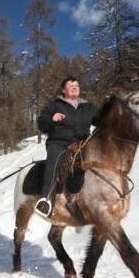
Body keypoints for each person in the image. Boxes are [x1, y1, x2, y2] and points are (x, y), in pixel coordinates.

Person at [35, 76, 96, 217]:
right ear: (64, 90)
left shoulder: (87, 106)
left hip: (83, 144)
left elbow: (101, 120)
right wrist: (52, 119)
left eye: (77, 85)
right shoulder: (54, 105)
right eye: (71, 85)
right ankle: (46, 199)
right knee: (53, 160)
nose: (75, 87)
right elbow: (42, 123)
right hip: (59, 143)